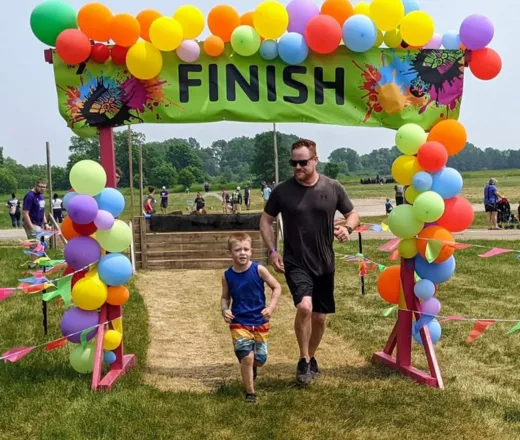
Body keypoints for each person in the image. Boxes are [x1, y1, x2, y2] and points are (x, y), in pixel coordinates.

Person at [259, 139, 359, 386]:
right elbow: (265, 220)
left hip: (325, 262)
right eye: (293, 162)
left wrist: (348, 228)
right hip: (295, 261)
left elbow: (352, 214)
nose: (297, 167)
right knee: (304, 307)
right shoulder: (282, 191)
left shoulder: (332, 187)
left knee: (320, 318)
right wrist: (272, 251)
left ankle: (311, 357)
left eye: (302, 162)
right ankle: (303, 360)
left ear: (315, 160)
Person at [221, 232, 281, 403]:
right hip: (239, 322)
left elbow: (276, 287)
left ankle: (253, 366)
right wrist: (224, 309)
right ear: (230, 253)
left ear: (251, 251)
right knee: (247, 357)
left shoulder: (259, 270)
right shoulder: (227, 275)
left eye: (246, 249)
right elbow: (225, 297)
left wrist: (270, 307)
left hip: (260, 321)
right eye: (238, 250)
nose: (242, 253)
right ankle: (250, 392)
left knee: (259, 359)